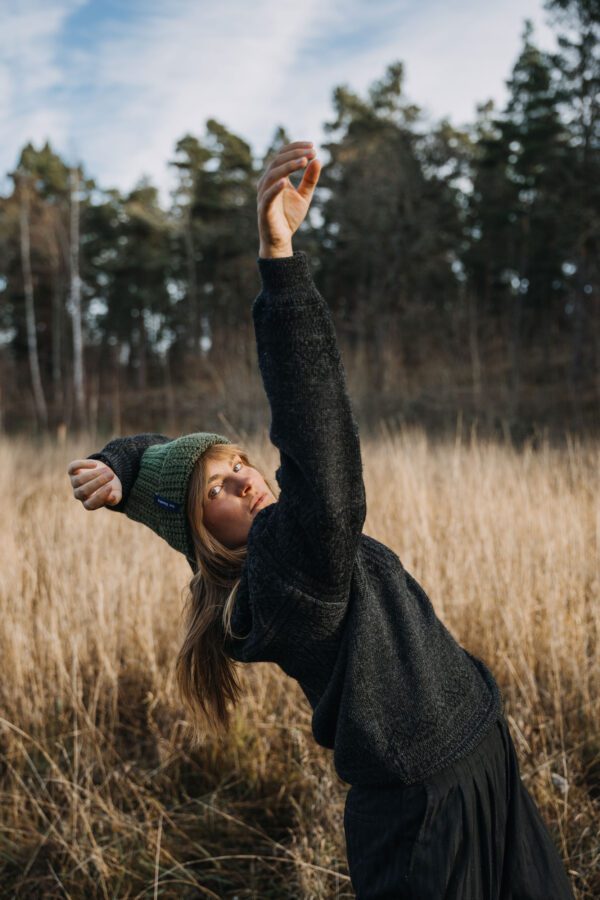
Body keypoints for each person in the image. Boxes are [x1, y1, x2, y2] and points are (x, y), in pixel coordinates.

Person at [67, 141, 574, 899]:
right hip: (427, 813)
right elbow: (318, 443)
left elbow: (182, 468)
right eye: (219, 489)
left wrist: (127, 458)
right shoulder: (279, 573)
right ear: (206, 541)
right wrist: (281, 261)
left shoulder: (271, 550)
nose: (244, 478)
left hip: (479, 761)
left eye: (240, 462)